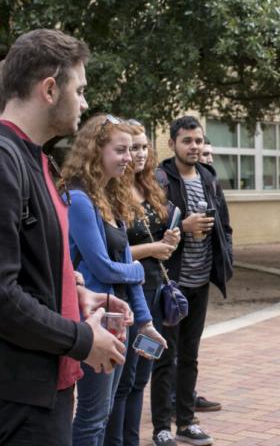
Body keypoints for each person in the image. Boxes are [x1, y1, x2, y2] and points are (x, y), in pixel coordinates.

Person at [0, 29, 129, 446]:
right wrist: (82, 340)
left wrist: (77, 298)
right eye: (81, 89)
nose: (86, 103)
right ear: (51, 89)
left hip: (48, 389)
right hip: (20, 399)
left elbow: (31, 267)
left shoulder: (38, 159)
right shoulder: (5, 161)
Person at [61, 114, 167, 445]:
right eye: (121, 150)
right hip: (93, 319)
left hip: (117, 316)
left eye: (132, 149)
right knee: (92, 417)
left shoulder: (109, 198)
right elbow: (105, 268)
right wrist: (141, 265)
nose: (130, 158)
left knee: (105, 412)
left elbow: (121, 269)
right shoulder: (78, 199)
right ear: (96, 151)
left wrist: (146, 322)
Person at [151, 115, 233, 446]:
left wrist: (226, 258)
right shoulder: (160, 180)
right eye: (187, 141)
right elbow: (148, 229)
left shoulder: (210, 178)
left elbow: (224, 224)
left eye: (198, 141)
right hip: (170, 283)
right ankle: (161, 427)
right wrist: (182, 228)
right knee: (164, 356)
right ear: (172, 144)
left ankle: (186, 423)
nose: (194, 147)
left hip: (200, 283)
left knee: (190, 355)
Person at [104, 121, 180, 446]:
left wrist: (170, 239)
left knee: (141, 376)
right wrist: (153, 248)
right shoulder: (110, 192)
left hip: (154, 291)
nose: (138, 154)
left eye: (143, 147)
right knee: (125, 378)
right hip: (129, 294)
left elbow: (157, 238)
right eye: (131, 147)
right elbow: (113, 250)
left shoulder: (148, 187)